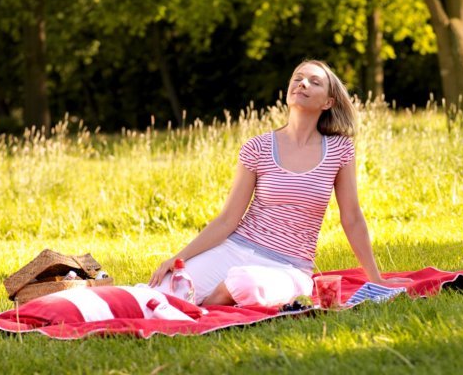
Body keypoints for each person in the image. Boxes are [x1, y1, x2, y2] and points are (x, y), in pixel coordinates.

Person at [149, 59, 411, 307]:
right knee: (159, 294)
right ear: (288, 91)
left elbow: (352, 217)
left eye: (314, 81)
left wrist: (375, 278)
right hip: (234, 249)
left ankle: (211, 302)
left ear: (328, 102)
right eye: (298, 78)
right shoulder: (258, 147)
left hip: (289, 268)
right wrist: (178, 258)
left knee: (245, 283)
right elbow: (227, 220)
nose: (303, 84)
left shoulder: (340, 149)